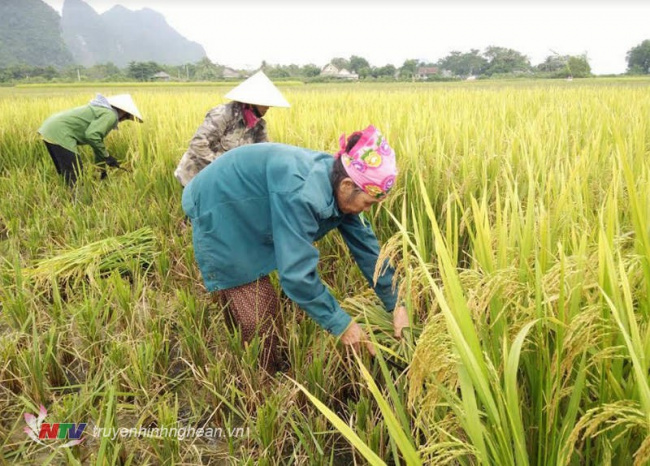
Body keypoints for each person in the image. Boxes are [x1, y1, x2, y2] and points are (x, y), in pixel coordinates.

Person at [182, 125, 409, 373]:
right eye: (368, 202)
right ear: (346, 185)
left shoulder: (340, 186)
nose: (368, 209)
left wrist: (397, 303)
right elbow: (296, 274)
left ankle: (268, 358)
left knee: (263, 298)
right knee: (257, 306)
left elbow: (368, 250)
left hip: (252, 201)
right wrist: (342, 325)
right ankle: (263, 381)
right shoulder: (303, 194)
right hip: (220, 202)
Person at [174, 71, 290, 187]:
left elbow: (263, 152)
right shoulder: (223, 115)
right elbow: (198, 143)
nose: (268, 107)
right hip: (196, 175)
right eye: (264, 103)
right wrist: (223, 168)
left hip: (222, 179)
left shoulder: (258, 126)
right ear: (251, 102)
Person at [38, 94, 143, 185]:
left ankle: (68, 199)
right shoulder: (110, 115)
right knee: (75, 173)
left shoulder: (101, 110)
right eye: (127, 117)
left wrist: (102, 169)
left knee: (66, 172)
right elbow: (92, 136)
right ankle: (77, 203)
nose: (124, 120)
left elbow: (96, 143)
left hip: (50, 129)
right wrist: (107, 156)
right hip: (59, 132)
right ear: (123, 111)